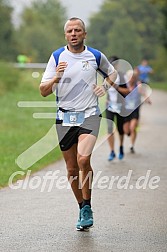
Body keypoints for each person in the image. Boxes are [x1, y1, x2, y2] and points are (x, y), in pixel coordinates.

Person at [39, 17, 117, 231]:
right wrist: (56, 77)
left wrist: (105, 86)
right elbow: (43, 92)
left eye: (78, 30)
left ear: (84, 34)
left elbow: (113, 72)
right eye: (70, 31)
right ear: (65, 35)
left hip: (90, 114)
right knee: (72, 168)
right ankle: (82, 207)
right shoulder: (57, 57)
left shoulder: (94, 55)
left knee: (83, 160)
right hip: (64, 118)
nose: (74, 33)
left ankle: (88, 205)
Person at [105, 56, 129, 161]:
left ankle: (121, 147)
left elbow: (127, 91)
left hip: (120, 107)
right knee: (110, 129)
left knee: (120, 129)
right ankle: (111, 151)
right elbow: (104, 89)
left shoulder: (123, 77)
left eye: (114, 64)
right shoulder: (106, 76)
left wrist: (116, 87)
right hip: (109, 106)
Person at [123, 68, 151, 153]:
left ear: (135, 78)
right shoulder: (124, 86)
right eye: (130, 77)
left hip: (135, 109)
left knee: (133, 127)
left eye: (133, 77)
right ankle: (129, 133)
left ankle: (131, 145)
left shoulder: (138, 85)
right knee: (126, 130)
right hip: (126, 110)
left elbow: (144, 93)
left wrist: (147, 99)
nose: (131, 79)